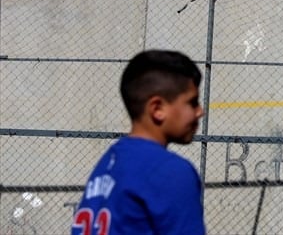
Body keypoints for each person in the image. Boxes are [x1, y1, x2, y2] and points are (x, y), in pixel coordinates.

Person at [71, 50, 206, 235]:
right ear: (157, 109)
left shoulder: (110, 162)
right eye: (192, 102)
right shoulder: (169, 171)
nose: (200, 111)